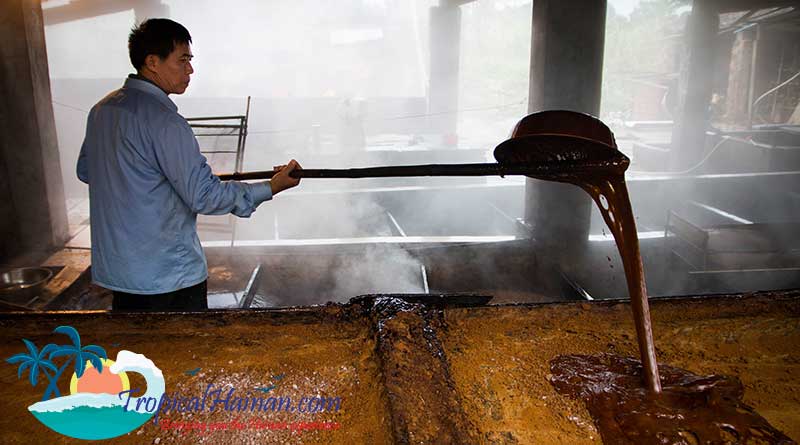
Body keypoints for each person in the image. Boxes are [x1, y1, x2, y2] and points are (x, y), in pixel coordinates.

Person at [77, 18, 300, 311]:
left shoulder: (102, 110)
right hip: (168, 274)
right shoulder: (164, 121)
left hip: (122, 273)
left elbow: (86, 171)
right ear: (152, 62)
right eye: (182, 60)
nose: (190, 69)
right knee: (187, 353)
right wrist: (271, 186)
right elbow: (203, 196)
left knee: (139, 353)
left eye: (190, 60)